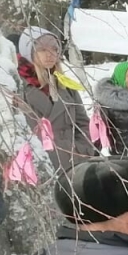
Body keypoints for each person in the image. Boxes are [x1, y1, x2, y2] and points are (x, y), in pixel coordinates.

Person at [17, 27, 94, 173]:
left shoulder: (65, 85)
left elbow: (83, 122)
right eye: (42, 49)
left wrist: (83, 148)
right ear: (29, 52)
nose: (50, 54)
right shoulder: (20, 88)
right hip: (45, 167)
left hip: (77, 161)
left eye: (54, 49)